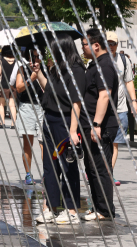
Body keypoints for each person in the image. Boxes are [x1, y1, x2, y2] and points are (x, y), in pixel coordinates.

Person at [33, 33, 85, 225]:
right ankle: (50, 207)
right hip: (50, 119)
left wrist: (73, 131)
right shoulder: (57, 69)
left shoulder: (76, 70)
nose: (51, 52)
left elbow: (76, 102)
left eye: (54, 48)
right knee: (50, 166)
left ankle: (71, 210)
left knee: (67, 165)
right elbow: (49, 91)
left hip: (65, 122)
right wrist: (38, 73)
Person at [80, 28, 119, 221]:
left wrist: (97, 124)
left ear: (96, 45)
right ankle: (98, 206)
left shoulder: (105, 66)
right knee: (91, 167)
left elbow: (104, 95)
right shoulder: (95, 64)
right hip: (90, 123)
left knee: (100, 168)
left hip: (100, 126)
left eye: (84, 44)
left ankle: (105, 210)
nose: (82, 48)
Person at [107, 31, 137, 186]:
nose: (111, 46)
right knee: (101, 143)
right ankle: (97, 169)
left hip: (120, 109)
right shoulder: (98, 61)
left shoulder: (123, 61)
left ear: (117, 45)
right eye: (108, 43)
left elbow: (129, 82)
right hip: (103, 110)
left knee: (115, 143)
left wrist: (133, 101)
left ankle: (108, 173)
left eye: (114, 43)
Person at [14, 47, 45, 185]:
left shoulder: (45, 68)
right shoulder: (23, 69)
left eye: (38, 56)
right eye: (33, 57)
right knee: (28, 143)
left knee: (44, 143)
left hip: (43, 107)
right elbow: (19, 88)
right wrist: (31, 78)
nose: (36, 60)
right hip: (27, 107)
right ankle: (28, 174)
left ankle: (47, 173)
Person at [0, 46, 17, 129]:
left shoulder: (2, 61)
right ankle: (13, 124)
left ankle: (2, 123)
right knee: (12, 105)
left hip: (4, 85)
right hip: (13, 85)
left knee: (1, 104)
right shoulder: (16, 61)